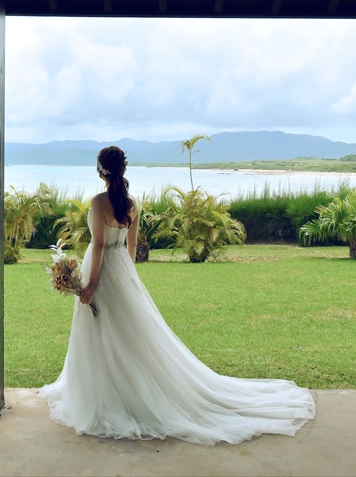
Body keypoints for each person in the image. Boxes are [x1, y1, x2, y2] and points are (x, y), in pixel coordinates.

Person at [39, 146, 315, 445]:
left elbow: (101, 245)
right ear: (122, 169)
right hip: (121, 269)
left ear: (100, 171)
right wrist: (127, 275)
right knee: (128, 333)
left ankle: (105, 397)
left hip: (102, 271)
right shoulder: (132, 203)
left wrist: (91, 284)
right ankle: (120, 390)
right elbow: (130, 244)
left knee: (102, 329)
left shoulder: (98, 202)